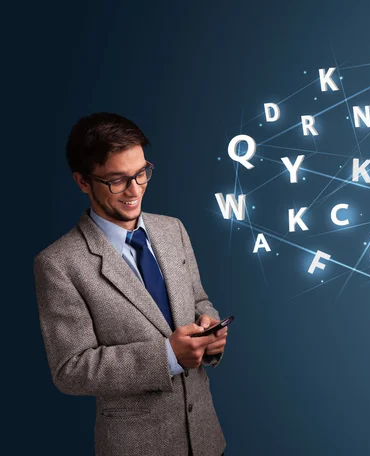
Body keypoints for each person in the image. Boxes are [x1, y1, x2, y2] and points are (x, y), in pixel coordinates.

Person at [33, 112, 228, 456]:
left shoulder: (173, 229)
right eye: (117, 180)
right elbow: (70, 369)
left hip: (208, 440)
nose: (134, 190)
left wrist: (209, 329)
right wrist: (168, 355)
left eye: (141, 173)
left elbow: (199, 301)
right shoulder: (58, 264)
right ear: (82, 181)